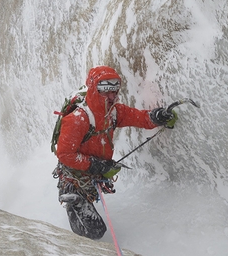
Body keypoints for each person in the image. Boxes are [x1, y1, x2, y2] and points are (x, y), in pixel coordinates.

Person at [53, 66, 177, 239]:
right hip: (75, 177)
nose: (112, 96)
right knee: (94, 231)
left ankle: (81, 201)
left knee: (94, 228)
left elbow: (138, 117)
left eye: (114, 91)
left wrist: (156, 117)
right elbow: (65, 155)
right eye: (106, 92)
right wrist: (95, 164)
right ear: (95, 90)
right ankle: (73, 200)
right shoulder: (78, 119)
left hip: (91, 174)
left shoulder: (113, 112)